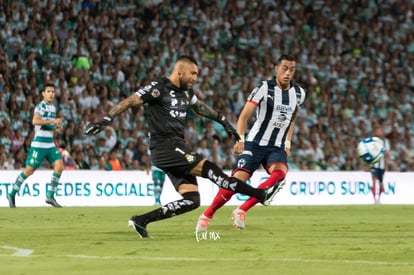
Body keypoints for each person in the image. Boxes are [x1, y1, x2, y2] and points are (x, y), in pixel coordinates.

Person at [84, 55, 280, 238]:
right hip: (166, 147)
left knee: (192, 200)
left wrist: (224, 122)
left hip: (174, 148)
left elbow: (200, 107)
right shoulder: (159, 87)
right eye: (192, 73)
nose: (195, 78)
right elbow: (130, 100)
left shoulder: (186, 92)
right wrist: (105, 120)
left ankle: (141, 221)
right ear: (180, 70)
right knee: (213, 171)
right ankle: (261, 194)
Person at [196, 54, 306, 231]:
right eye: (284, 68)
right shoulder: (264, 88)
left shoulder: (299, 93)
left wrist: (287, 143)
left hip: (276, 146)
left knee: (279, 175)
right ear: (276, 68)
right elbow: (244, 116)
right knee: (237, 181)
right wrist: (240, 139)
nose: (288, 73)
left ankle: (242, 210)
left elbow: (292, 120)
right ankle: (207, 214)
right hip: (255, 143)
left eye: (292, 70)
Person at [7, 83, 64, 208]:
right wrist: (53, 121)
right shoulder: (40, 106)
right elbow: (35, 121)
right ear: (43, 93)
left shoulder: (53, 108)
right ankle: (12, 193)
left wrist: (56, 128)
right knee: (29, 170)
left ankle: (50, 196)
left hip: (49, 144)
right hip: (38, 145)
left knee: (59, 166)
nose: (51, 94)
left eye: (53, 91)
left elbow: (46, 126)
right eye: (48, 91)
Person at [370, 126, 390, 204]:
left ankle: (379, 198)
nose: (378, 133)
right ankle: (375, 199)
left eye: (380, 131)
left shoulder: (385, 142)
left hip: (382, 166)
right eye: (377, 131)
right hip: (374, 165)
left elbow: (388, 153)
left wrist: (387, 163)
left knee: (381, 183)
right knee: (374, 181)